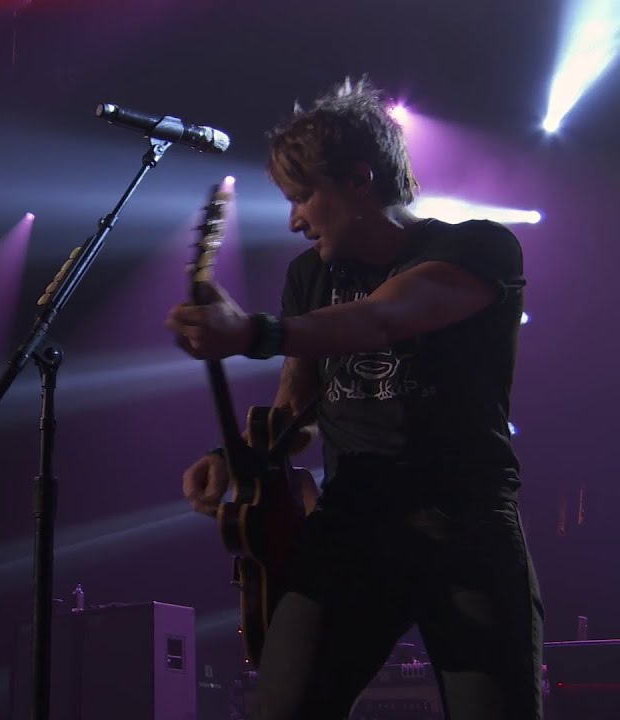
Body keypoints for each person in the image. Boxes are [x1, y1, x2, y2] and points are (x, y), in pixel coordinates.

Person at [164, 77, 542, 719]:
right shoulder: (308, 275)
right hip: (353, 522)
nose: (294, 220)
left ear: (360, 179)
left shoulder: (478, 247)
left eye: (303, 196)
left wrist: (253, 333)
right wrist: (235, 458)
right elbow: (296, 409)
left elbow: (385, 318)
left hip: (465, 520)